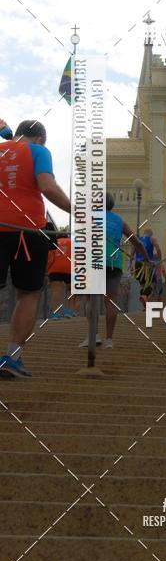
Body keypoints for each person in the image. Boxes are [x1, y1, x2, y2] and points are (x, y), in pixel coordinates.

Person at [0, 119, 71, 378]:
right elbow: (47, 186)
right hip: (28, 232)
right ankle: (11, 357)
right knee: (27, 294)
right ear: (41, 138)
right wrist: (77, 211)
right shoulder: (39, 151)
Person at [80, 192, 150, 349]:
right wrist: (146, 259)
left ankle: (93, 336)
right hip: (114, 262)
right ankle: (109, 340)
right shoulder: (119, 221)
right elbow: (137, 242)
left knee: (91, 299)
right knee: (110, 301)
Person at [47, 233, 76, 319]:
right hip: (69, 268)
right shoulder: (72, 243)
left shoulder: (54, 243)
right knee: (70, 291)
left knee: (56, 292)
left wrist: (47, 270)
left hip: (55, 269)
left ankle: (56, 314)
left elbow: (49, 258)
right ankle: (69, 312)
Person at [134, 227, 162, 306]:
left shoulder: (138, 239)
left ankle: (145, 304)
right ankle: (144, 296)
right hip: (148, 263)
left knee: (142, 284)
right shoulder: (152, 238)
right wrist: (160, 260)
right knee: (152, 283)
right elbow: (158, 248)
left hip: (138, 263)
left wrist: (130, 262)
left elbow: (132, 251)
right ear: (151, 234)